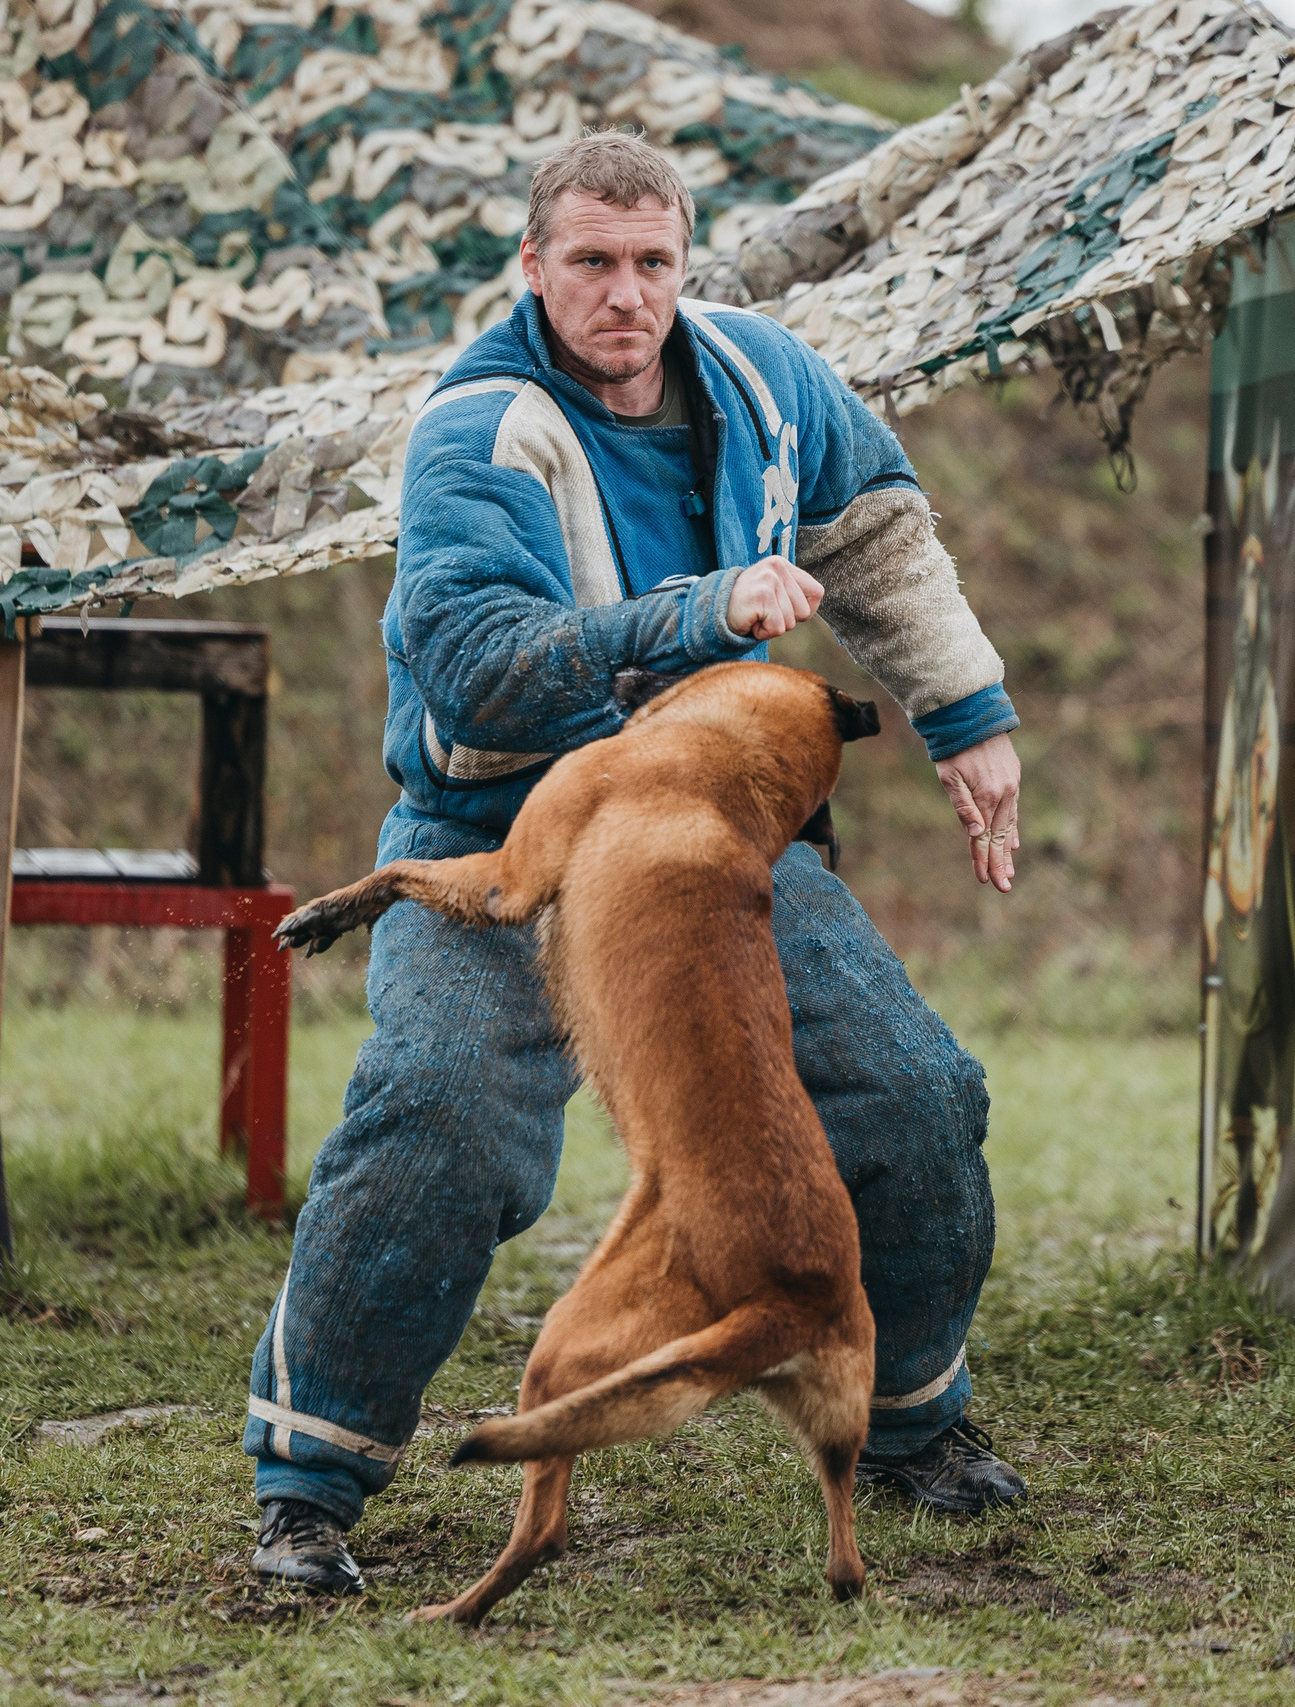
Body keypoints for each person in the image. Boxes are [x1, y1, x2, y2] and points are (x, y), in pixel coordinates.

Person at [247, 130, 1029, 1592]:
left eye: (653, 263)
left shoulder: (760, 373)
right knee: (439, 1113)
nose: (626, 295)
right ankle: (309, 1480)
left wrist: (969, 716)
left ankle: (913, 1420)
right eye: (592, 263)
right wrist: (698, 613)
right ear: (533, 265)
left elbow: (877, 535)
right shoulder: (476, 429)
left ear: (686, 262)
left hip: (702, 834)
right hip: (492, 832)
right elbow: (478, 670)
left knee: (917, 1093)